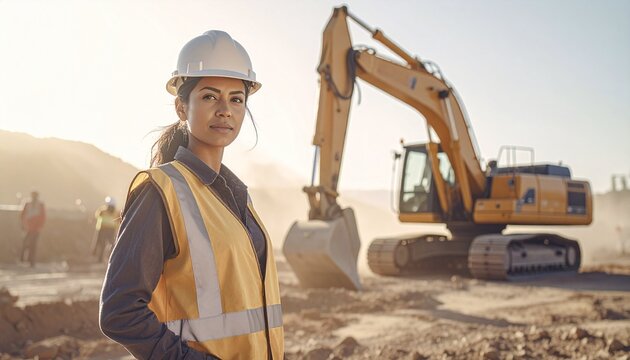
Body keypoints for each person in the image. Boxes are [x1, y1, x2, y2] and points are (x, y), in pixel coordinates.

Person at [99, 30, 284, 360]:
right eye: (210, 96)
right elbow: (120, 311)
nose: (225, 109)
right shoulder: (161, 191)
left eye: (236, 99)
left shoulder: (239, 198)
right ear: (181, 107)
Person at [20, 191, 46, 267]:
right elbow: (22, 215)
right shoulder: (28, 204)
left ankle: (31, 261)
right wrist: (23, 225)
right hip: (28, 227)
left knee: (33, 245)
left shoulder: (40, 205)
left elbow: (43, 217)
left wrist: (40, 226)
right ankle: (24, 258)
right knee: (26, 243)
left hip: (36, 228)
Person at [92, 196, 119, 263]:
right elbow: (118, 220)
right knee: (111, 243)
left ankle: (100, 258)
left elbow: (97, 215)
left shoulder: (102, 210)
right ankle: (111, 257)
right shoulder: (115, 211)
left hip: (103, 228)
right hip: (110, 229)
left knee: (102, 243)